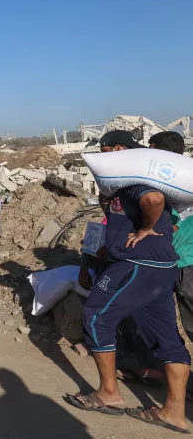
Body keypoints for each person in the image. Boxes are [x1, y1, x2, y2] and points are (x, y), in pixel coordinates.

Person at [64, 130, 189, 434]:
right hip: (161, 267)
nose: (103, 155)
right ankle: (174, 412)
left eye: (105, 150)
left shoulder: (135, 180)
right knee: (166, 335)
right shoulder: (123, 183)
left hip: (136, 265)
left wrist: (145, 228)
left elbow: (154, 199)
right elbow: (160, 216)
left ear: (119, 148)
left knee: (97, 316)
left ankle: (109, 394)